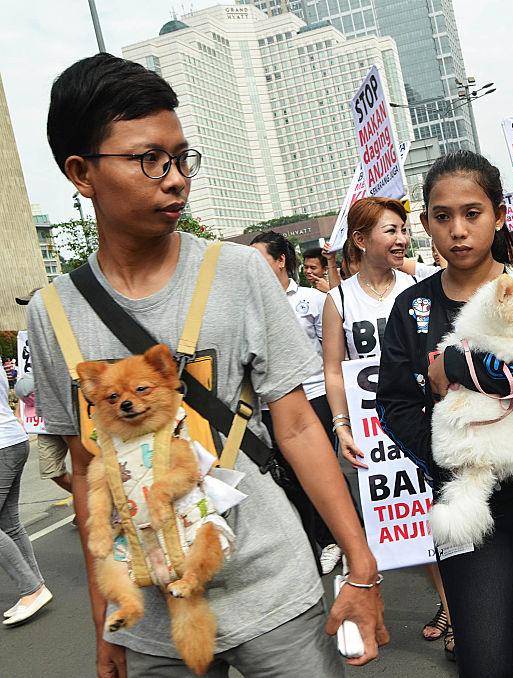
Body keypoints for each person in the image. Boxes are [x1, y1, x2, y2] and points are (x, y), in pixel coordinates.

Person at [28, 53, 385, 676]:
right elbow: (88, 472)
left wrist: (362, 569)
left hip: (272, 588)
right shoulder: (53, 313)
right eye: (149, 159)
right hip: (154, 620)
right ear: (81, 173)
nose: (174, 179)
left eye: (180, 158)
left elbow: (298, 426)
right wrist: (108, 619)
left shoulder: (237, 272)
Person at [376, 150, 513, 677]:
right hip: (465, 498)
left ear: (498, 215)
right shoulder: (413, 308)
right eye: (442, 216)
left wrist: (456, 365)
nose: (458, 230)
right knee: (484, 665)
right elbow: (395, 403)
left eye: (472, 213)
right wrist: (451, 452)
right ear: (425, 222)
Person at [320, 196, 456, 659]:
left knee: (439, 511)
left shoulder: (421, 283)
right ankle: (440, 604)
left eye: (403, 230)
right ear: (360, 240)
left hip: (425, 422)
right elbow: (334, 370)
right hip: (373, 433)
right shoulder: (337, 300)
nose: (401, 239)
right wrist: (342, 426)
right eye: (390, 231)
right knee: (402, 522)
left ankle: (456, 607)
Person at [250, 231, 344, 576]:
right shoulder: (248, 306)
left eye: (260, 259)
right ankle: (316, 541)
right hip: (269, 405)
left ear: (280, 260)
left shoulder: (312, 300)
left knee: (323, 470)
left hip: (314, 397)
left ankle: (346, 538)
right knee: (289, 478)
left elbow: (332, 354)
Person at [0, 367, 53, 627]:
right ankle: (34, 587)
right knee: (9, 524)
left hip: (2, 447)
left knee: (9, 524)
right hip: (11, 441)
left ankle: (31, 589)